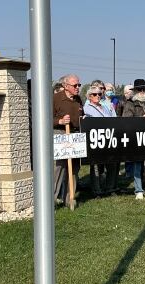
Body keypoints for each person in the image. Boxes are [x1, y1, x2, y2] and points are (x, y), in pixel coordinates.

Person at [52, 74, 84, 205]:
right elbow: (45, 118)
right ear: (65, 86)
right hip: (61, 133)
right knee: (60, 167)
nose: (77, 88)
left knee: (75, 167)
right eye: (75, 85)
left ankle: (70, 198)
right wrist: (59, 120)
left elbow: (80, 115)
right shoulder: (55, 98)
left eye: (79, 85)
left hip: (76, 135)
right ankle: (52, 199)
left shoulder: (78, 99)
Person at [83, 84, 118, 196]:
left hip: (109, 138)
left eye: (99, 94)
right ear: (89, 96)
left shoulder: (105, 106)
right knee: (96, 166)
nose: (97, 96)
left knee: (112, 163)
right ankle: (97, 190)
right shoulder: (87, 107)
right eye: (94, 94)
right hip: (96, 140)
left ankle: (110, 188)